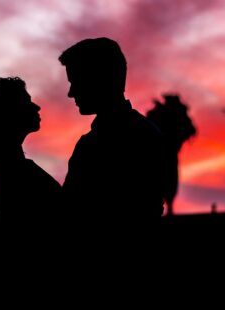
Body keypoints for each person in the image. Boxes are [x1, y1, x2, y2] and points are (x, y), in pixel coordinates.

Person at [59, 37, 166, 234]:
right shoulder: (148, 133)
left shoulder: (93, 145)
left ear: (100, 79)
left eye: (76, 81)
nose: (71, 93)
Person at [0, 77, 62, 236]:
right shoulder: (15, 173)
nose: (37, 106)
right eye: (26, 102)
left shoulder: (9, 169)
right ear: (8, 112)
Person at [146, 93, 197, 216]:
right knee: (165, 179)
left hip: (167, 154)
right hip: (162, 154)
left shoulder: (170, 114)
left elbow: (190, 130)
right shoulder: (160, 115)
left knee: (169, 180)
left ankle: (168, 208)